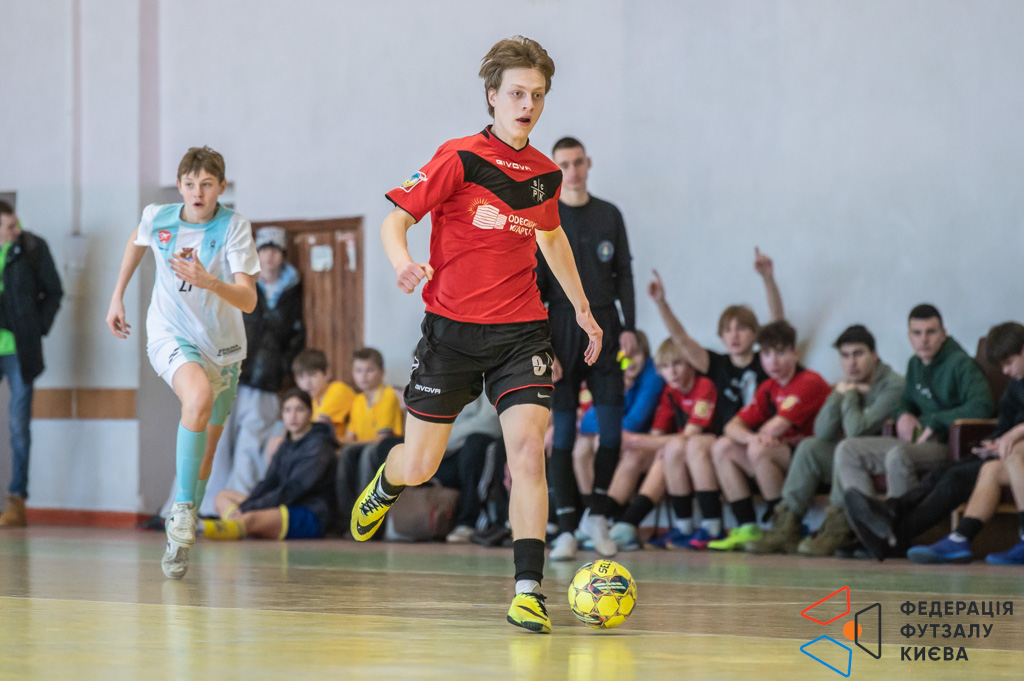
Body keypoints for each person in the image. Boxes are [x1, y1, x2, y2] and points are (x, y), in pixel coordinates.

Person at [349, 36, 602, 635]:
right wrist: (402, 263)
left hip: (521, 333)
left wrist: (583, 310)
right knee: (420, 463)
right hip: (452, 335)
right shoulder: (459, 158)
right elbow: (394, 220)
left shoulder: (544, 174)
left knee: (528, 453)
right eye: (516, 93)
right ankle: (388, 480)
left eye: (537, 95)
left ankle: (528, 590)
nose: (527, 105)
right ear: (492, 96)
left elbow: (552, 239)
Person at [105, 146, 260, 579]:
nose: (198, 192)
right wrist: (117, 295)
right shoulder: (158, 217)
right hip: (170, 332)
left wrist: (210, 282)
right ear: (179, 186)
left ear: (221, 187)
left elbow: (248, 300)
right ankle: (182, 511)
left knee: (206, 451)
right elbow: (136, 241)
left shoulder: (234, 227)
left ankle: (180, 530)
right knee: (197, 397)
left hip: (223, 347)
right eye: (190, 184)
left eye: (207, 184)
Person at [845, 322, 1024, 564]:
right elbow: (1003, 425)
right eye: (1001, 366)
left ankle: (894, 535)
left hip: (1015, 453)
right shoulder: (1015, 385)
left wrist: (1014, 434)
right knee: (942, 472)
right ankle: (893, 513)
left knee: (956, 478)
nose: (1005, 371)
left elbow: (987, 411)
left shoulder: (962, 364)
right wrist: (993, 442)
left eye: (1009, 362)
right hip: (1003, 453)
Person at [536, 136, 636, 561]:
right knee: (561, 436)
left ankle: (597, 515)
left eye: (578, 162)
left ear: (588, 163)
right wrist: (546, 347)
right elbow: (534, 288)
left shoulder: (609, 214)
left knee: (611, 432)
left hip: (606, 327)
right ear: (555, 169)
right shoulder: (545, 216)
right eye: (564, 164)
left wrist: (630, 327)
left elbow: (624, 274)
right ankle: (565, 530)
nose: (572, 171)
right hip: (562, 330)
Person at [830, 305, 993, 553]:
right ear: (909, 336)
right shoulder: (914, 364)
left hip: (945, 444)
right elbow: (905, 401)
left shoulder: (961, 364)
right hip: (917, 442)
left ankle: (894, 536)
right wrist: (902, 414)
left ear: (943, 334)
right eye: (917, 333)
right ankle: (870, 529)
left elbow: (983, 406)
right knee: (847, 449)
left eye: (930, 332)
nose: (923, 340)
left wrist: (936, 420)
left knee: (898, 455)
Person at [646, 251, 783, 547]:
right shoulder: (717, 364)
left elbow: (778, 324)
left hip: (763, 438)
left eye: (741, 328)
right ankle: (699, 527)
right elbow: (681, 339)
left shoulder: (766, 360)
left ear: (755, 334)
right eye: (727, 330)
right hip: (728, 439)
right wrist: (661, 303)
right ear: (720, 336)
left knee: (704, 444)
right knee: (690, 445)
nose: (734, 336)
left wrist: (768, 280)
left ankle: (719, 526)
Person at [745, 325, 903, 555]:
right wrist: (838, 394)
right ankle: (786, 526)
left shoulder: (893, 385)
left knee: (846, 448)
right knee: (810, 447)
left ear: (874, 354)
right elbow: (822, 433)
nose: (851, 363)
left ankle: (837, 528)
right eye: (845, 356)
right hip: (853, 457)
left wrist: (849, 394)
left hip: (881, 459)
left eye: (858, 354)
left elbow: (857, 431)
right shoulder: (847, 384)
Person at [198, 225, 305, 516]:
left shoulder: (293, 289)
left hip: (266, 381)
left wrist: (283, 368)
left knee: (251, 446)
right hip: (231, 373)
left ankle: (238, 509)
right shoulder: (240, 282)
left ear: (283, 254)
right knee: (217, 442)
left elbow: (296, 336)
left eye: (275, 250)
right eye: (264, 249)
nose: (269, 256)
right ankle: (205, 505)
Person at [706, 320, 831, 551]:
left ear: (795, 353)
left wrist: (756, 439)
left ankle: (785, 528)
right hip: (784, 457)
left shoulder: (809, 381)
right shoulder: (768, 388)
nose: (773, 361)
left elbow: (776, 428)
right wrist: (750, 438)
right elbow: (731, 427)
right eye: (766, 354)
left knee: (759, 449)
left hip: (815, 461)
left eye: (781, 352)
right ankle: (747, 526)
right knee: (723, 446)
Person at [591, 338, 716, 552]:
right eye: (665, 366)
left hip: (705, 453)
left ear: (691, 363)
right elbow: (656, 433)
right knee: (636, 454)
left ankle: (629, 524)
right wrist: (636, 444)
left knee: (667, 451)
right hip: (679, 453)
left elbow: (689, 436)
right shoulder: (670, 391)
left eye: (678, 363)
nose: (672, 372)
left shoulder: (704, 385)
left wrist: (633, 439)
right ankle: (599, 519)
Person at [0, 201, 63, 527]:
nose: (17, 230)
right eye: (9, 226)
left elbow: (54, 291)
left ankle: (17, 500)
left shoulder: (32, 248)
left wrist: (36, 327)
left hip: (19, 351)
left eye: (17, 223)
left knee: (18, 425)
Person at [204, 388, 337, 541]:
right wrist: (248, 504)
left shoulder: (319, 445)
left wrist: (252, 508)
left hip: (309, 512)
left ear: (310, 413)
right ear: (283, 415)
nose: (293, 416)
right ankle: (237, 524)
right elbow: (269, 481)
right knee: (222, 497)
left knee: (250, 518)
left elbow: (293, 490)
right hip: (283, 503)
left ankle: (207, 529)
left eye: (299, 409)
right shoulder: (286, 444)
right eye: (287, 410)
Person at [433, 393, 504, 543]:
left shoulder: (487, 380)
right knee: (390, 447)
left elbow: (491, 422)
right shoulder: (437, 382)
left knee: (474, 445)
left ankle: (468, 523)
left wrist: (442, 438)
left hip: (473, 447)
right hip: (445, 449)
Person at [292, 348, 356, 442]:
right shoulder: (313, 401)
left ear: (327, 373)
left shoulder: (338, 390)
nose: (307, 383)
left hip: (350, 446)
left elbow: (317, 426)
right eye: (301, 377)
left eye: (312, 374)